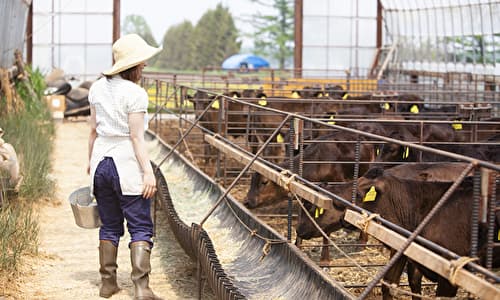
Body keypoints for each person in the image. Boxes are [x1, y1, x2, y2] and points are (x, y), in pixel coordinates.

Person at [87, 34, 162, 300]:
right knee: (140, 225)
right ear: (132, 66)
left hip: (100, 163)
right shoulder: (135, 93)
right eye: (141, 64)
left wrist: (89, 162)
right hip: (126, 164)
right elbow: (136, 137)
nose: (143, 68)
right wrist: (148, 171)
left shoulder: (96, 88)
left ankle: (108, 284)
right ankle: (141, 288)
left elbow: (94, 130)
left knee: (109, 225)